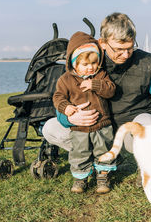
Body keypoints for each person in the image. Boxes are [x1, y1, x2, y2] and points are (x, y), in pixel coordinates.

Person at [43, 12, 151, 187]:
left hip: (132, 128)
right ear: (102, 43)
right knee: (51, 128)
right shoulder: (86, 61)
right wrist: (70, 117)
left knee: (146, 123)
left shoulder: (146, 63)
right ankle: (98, 160)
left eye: (130, 48)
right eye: (119, 49)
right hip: (98, 129)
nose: (125, 55)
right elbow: (63, 98)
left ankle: (148, 164)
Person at [52, 31, 117, 194]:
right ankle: (81, 178)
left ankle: (103, 176)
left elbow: (111, 90)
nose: (91, 67)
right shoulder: (65, 80)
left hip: (101, 123)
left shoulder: (101, 75)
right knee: (79, 152)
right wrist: (65, 108)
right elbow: (58, 97)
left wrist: (95, 85)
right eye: (86, 64)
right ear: (74, 63)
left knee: (103, 150)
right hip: (79, 128)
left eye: (94, 63)